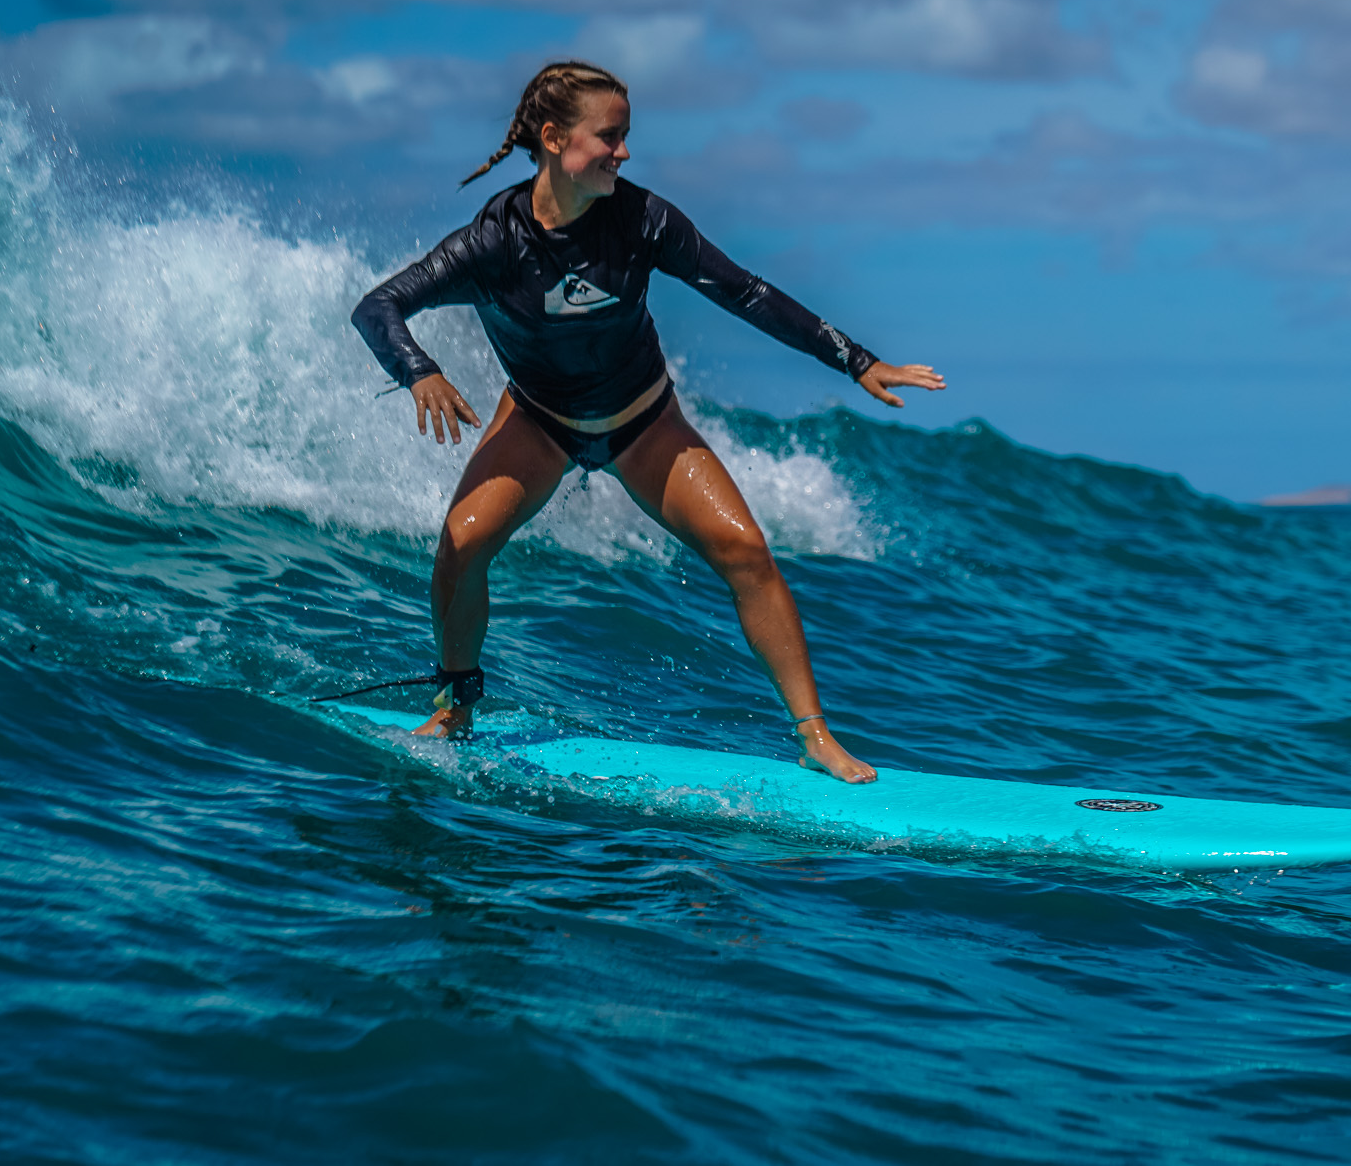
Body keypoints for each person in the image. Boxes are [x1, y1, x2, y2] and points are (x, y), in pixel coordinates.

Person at [352, 61, 943, 783]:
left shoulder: (642, 221)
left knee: (746, 551)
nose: (624, 152)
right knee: (462, 545)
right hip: (541, 420)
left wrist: (857, 361)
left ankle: (815, 736)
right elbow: (378, 306)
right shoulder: (494, 243)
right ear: (554, 139)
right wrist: (420, 371)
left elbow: (745, 292)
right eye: (610, 137)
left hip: (642, 420)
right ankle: (454, 706)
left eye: (626, 135)